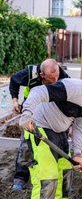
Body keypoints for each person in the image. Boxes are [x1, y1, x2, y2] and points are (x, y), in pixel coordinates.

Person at [9, 59, 69, 191]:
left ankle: (60, 179)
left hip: (52, 113)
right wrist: (15, 101)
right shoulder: (31, 74)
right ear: (42, 75)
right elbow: (14, 80)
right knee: (26, 144)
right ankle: (20, 178)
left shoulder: (63, 76)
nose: (55, 81)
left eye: (56, 77)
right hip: (32, 111)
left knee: (60, 143)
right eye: (51, 78)